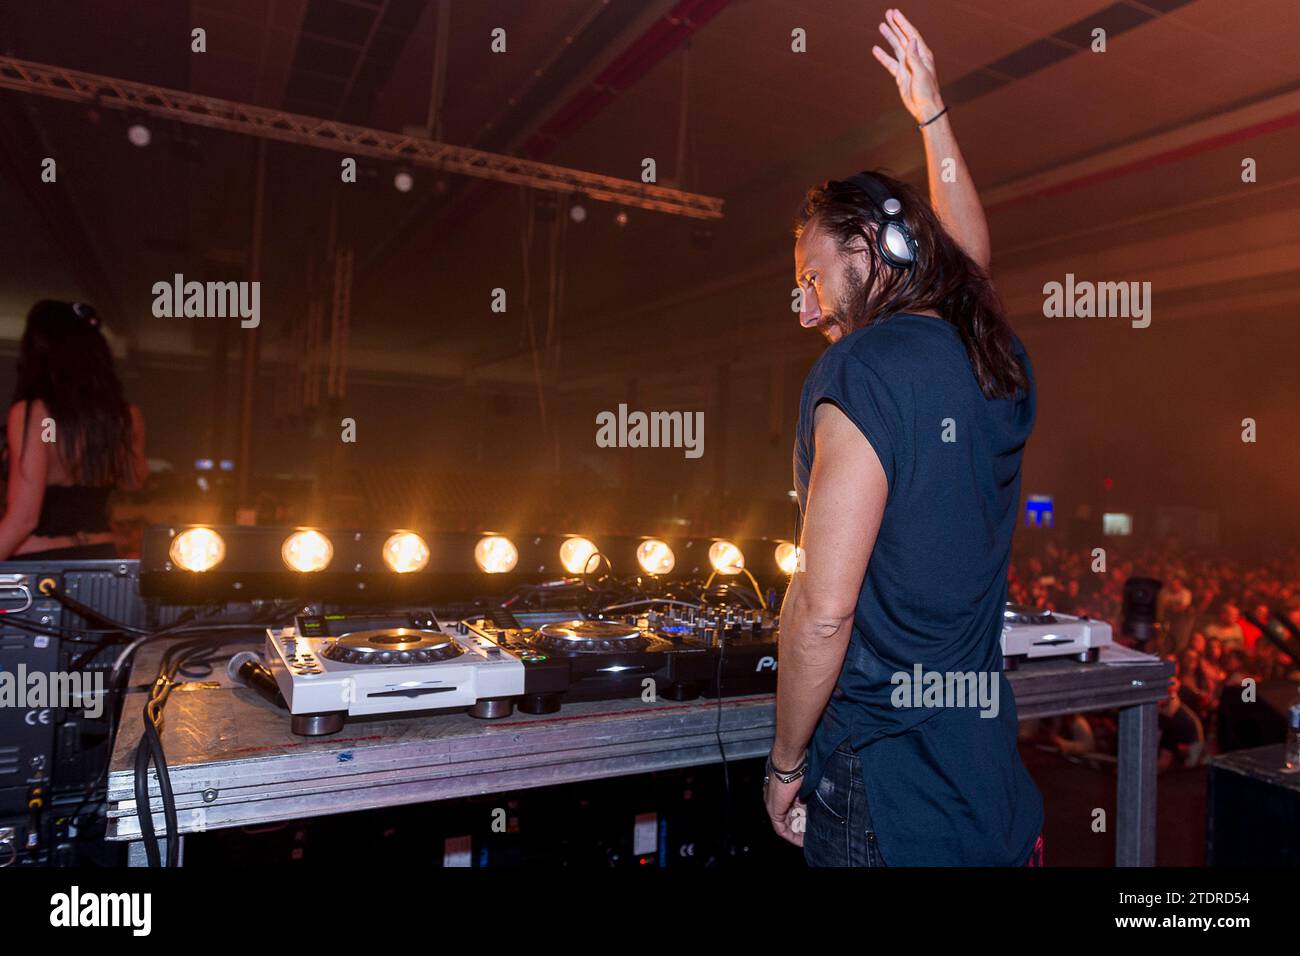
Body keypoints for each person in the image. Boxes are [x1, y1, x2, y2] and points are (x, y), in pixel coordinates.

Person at [764, 10, 1042, 866]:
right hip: (980, 769)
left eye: (811, 277)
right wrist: (931, 113)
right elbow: (969, 264)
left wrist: (785, 762)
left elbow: (822, 611)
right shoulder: (987, 354)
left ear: (870, 246)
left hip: (885, 784)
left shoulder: (863, 373)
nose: (807, 309)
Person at [0, 300, 146, 560]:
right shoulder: (124, 417)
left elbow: (23, 519)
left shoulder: (38, 416)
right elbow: (133, 481)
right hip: (100, 553)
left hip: (41, 561)